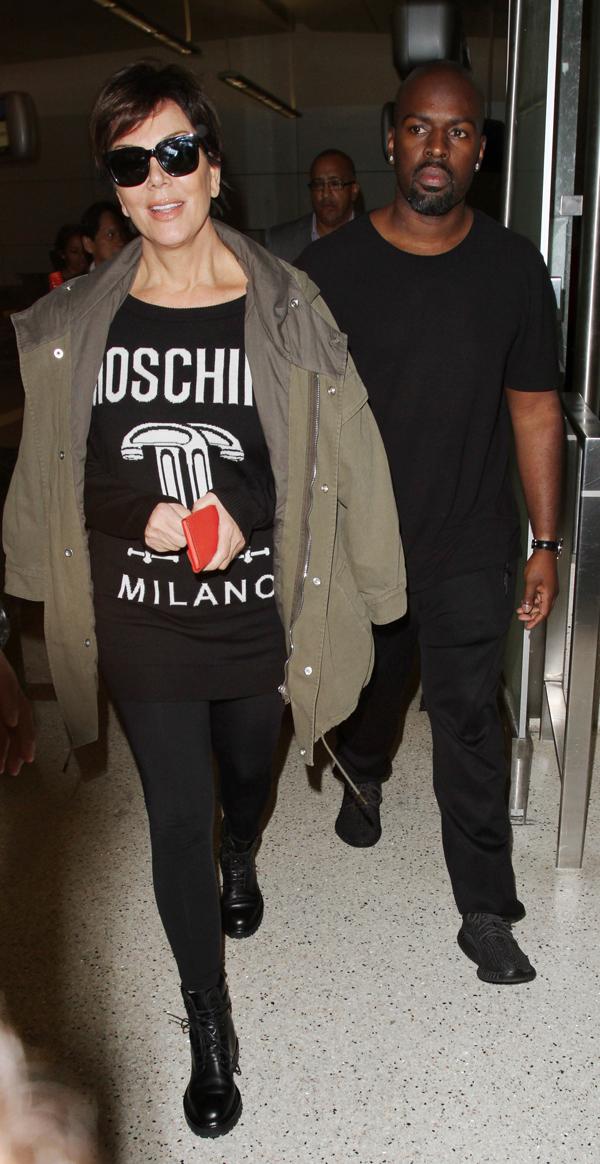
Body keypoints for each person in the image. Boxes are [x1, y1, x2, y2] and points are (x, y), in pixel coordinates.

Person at [3, 62, 405, 1138]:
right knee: (175, 817)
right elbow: (64, 470)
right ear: (118, 188)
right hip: (142, 618)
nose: (157, 180)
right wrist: (141, 521)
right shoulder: (82, 317)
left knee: (243, 777)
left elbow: (328, 450)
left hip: (255, 610)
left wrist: (245, 517)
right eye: (132, 164)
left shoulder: (283, 304)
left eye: (176, 153)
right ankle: (209, 1018)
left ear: (213, 169)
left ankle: (245, 848)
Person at [298, 61, 563, 987]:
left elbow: (534, 410)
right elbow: (292, 411)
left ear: (480, 151)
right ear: (390, 137)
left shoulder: (513, 268)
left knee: (467, 720)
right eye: (419, 129)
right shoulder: (327, 271)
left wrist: (545, 540)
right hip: (361, 539)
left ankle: (485, 906)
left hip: (466, 537)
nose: (435, 148)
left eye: (456, 133)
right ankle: (365, 765)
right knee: (378, 684)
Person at [265, 149, 360, 262]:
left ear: (354, 190)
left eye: (335, 184)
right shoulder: (280, 243)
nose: (325, 194)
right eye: (318, 185)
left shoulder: (374, 237)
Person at [80, 200, 129, 268]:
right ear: (88, 244)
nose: (121, 242)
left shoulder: (139, 274)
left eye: (122, 233)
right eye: (110, 235)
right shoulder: (84, 278)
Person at [48, 224, 88, 288]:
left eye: (84, 250)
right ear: (63, 254)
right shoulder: (56, 281)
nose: (82, 256)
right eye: (74, 251)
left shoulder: (91, 275)